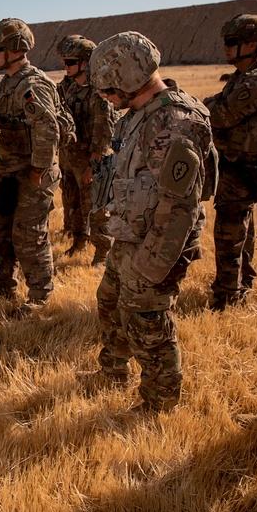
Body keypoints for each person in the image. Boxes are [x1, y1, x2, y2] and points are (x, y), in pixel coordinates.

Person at [88, 32, 215, 411]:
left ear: (127, 77)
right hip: (132, 235)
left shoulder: (174, 121)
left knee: (147, 322)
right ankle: (113, 369)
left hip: (160, 243)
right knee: (109, 302)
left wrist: (152, 264)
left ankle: (160, 401)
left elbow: (180, 206)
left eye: (108, 86)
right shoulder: (140, 115)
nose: (104, 95)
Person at [203, 15, 257, 310]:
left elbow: (219, 114)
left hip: (245, 167)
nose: (226, 48)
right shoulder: (243, 78)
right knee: (241, 228)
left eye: (232, 42)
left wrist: (209, 106)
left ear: (252, 44)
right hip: (239, 164)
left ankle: (226, 295)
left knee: (229, 232)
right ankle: (242, 280)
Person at [0, 18, 66, 316]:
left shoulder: (32, 84)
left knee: (30, 234)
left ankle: (41, 295)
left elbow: (47, 127)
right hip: (8, 172)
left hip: (32, 174)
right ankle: (4, 285)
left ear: (16, 50)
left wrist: (39, 168)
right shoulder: (9, 82)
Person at [56, 35, 116, 266]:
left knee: (97, 207)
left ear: (85, 63)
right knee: (74, 203)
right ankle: (79, 242)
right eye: (65, 62)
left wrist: (95, 162)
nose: (66, 66)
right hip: (70, 156)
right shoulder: (69, 87)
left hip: (92, 158)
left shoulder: (99, 91)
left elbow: (104, 129)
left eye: (70, 62)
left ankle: (102, 253)